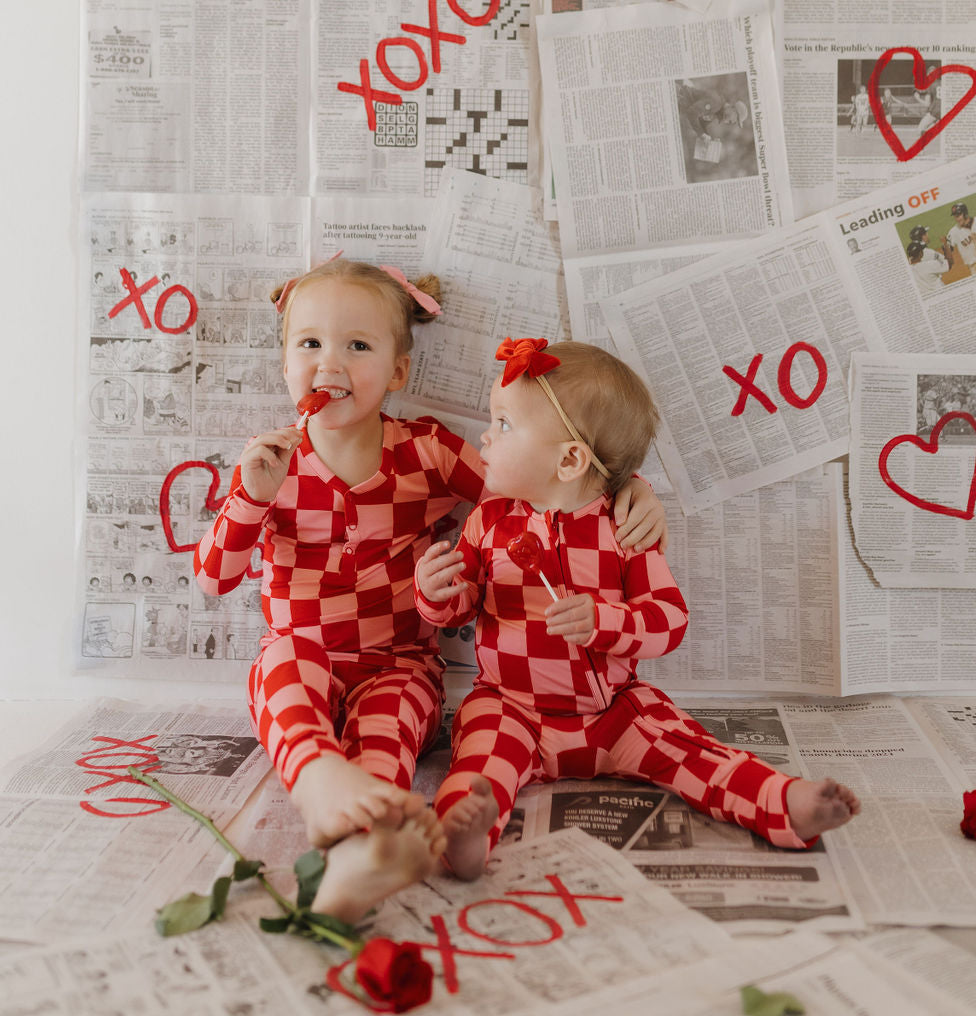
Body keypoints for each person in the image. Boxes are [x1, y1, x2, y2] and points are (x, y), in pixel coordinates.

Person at [194, 260, 665, 921]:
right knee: (282, 672)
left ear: (398, 372)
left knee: (385, 747)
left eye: (358, 345)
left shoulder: (428, 453)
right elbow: (213, 577)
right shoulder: (271, 462)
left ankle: (362, 857)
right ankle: (318, 781)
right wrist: (250, 498)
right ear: (285, 363)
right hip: (302, 648)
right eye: (310, 343)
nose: (330, 363)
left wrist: (624, 486)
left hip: (400, 663)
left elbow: (533, 485)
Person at [415, 338, 860, 880]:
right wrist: (437, 593)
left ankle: (782, 802)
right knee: (482, 760)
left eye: (504, 424)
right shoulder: (488, 522)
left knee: (688, 747)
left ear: (570, 459)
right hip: (511, 706)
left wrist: (605, 622)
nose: (485, 435)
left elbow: (669, 618)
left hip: (614, 712)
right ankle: (465, 835)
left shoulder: (624, 527)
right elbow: (461, 607)